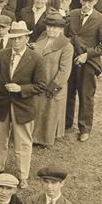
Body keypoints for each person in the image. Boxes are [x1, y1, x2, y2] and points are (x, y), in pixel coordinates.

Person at [0, 21, 47, 187]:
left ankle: (23, 175)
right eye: (13, 38)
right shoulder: (2, 55)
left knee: (22, 142)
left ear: (26, 38)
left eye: (20, 38)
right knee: (0, 139)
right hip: (3, 103)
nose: (16, 42)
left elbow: (41, 85)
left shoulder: (36, 58)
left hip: (23, 106)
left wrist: (20, 88)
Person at [65, 0, 102, 142]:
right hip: (70, 60)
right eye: (84, 1)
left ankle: (85, 129)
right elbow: (66, 35)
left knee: (86, 96)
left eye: (90, 1)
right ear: (80, 0)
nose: (86, 4)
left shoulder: (101, 20)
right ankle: (66, 123)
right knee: (68, 92)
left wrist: (87, 55)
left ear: (95, 2)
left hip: (89, 63)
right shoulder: (72, 15)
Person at [31, 12, 74, 147]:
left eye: (55, 27)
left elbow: (64, 71)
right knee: (36, 110)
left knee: (49, 112)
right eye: (49, 26)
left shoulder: (66, 46)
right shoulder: (42, 38)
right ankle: (33, 136)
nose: (51, 30)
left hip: (53, 84)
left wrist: (53, 87)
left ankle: (45, 140)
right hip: (38, 82)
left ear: (61, 29)